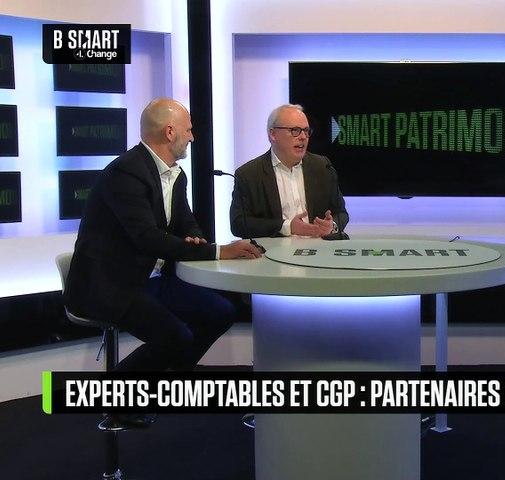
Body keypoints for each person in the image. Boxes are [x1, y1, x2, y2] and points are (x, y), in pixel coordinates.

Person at [64, 98, 262, 425]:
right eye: (189, 130)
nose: (193, 137)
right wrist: (218, 251)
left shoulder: (175, 176)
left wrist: (196, 239)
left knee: (221, 311)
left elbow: (186, 224)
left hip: (149, 280)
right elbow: (147, 238)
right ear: (170, 132)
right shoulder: (126, 172)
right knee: (176, 336)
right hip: (107, 284)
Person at [230, 104, 348, 240]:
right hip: (273, 251)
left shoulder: (322, 167)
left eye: (306, 131)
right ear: (273, 134)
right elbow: (238, 224)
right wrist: (287, 227)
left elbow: (341, 213)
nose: (303, 137)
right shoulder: (248, 174)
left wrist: (332, 225)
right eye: (295, 130)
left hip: (318, 249)